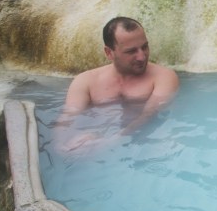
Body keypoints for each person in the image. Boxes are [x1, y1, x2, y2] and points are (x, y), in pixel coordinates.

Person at [59, 17, 179, 148]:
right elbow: (68, 118)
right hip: (98, 144)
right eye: (131, 51)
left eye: (144, 47)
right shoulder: (86, 81)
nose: (142, 56)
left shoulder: (163, 77)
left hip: (146, 143)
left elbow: (149, 115)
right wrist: (62, 146)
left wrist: (110, 142)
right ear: (109, 53)